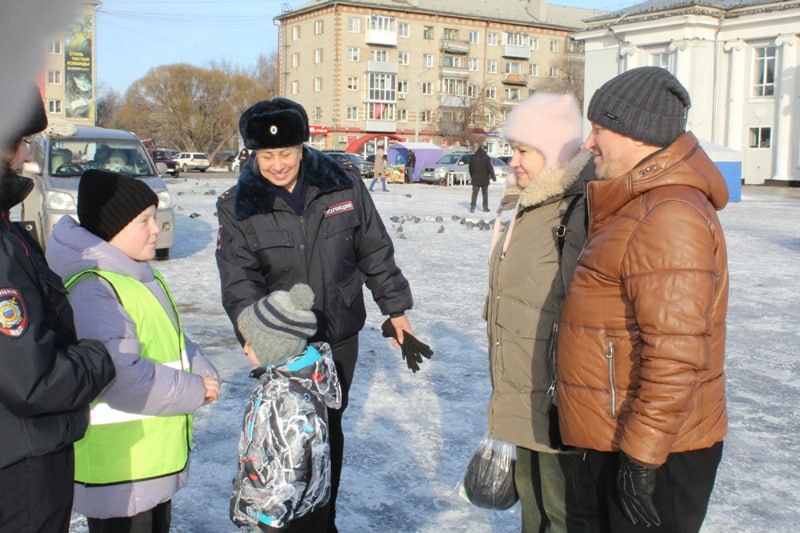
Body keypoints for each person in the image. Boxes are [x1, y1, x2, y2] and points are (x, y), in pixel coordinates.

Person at [215, 97, 419, 533]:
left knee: (329, 432)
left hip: (339, 334)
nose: (276, 165)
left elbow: (373, 248)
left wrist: (395, 308)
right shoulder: (238, 206)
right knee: (290, 438)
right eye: (266, 155)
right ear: (253, 153)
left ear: (303, 147)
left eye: (285, 153)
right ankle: (288, 521)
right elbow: (239, 280)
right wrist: (253, 332)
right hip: (285, 345)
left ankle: (323, 521)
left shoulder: (341, 184)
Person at [556, 66, 729, 532]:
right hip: (621, 435)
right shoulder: (638, 204)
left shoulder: (668, 215)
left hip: (658, 453)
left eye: (599, 129)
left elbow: (676, 355)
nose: (589, 143)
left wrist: (641, 459)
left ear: (637, 134)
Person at [45, 169, 222, 532]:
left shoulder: (136, 275)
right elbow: (120, 377)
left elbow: (170, 336)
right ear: (114, 227)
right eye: (144, 220)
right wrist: (193, 390)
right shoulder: (95, 289)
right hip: (120, 469)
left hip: (150, 461)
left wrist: (201, 367)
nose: (156, 229)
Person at [0, 85, 116, 532]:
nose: (27, 158)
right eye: (22, 143)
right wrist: (99, 358)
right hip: (20, 463)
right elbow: (32, 380)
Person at [485, 92, 602, 532]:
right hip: (519, 385)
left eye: (523, 151)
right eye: (510, 149)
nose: (511, 161)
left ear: (553, 151)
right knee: (533, 512)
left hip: (556, 396)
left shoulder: (575, 210)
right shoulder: (524, 204)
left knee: (563, 513)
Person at [230, 283, 341, 532]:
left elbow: (294, 467)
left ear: (273, 347)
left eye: (249, 342)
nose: (244, 348)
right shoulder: (284, 380)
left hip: (285, 517)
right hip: (280, 506)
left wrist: (271, 521)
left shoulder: (289, 398)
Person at [468, 145, 496, 212]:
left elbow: (470, 168)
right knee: (485, 194)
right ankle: (485, 208)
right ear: (483, 149)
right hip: (485, 179)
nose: (486, 150)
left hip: (475, 179)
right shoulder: (486, 158)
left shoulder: (472, 157)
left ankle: (472, 207)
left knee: (474, 194)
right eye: (486, 149)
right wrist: (493, 177)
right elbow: (490, 168)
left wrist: (473, 176)